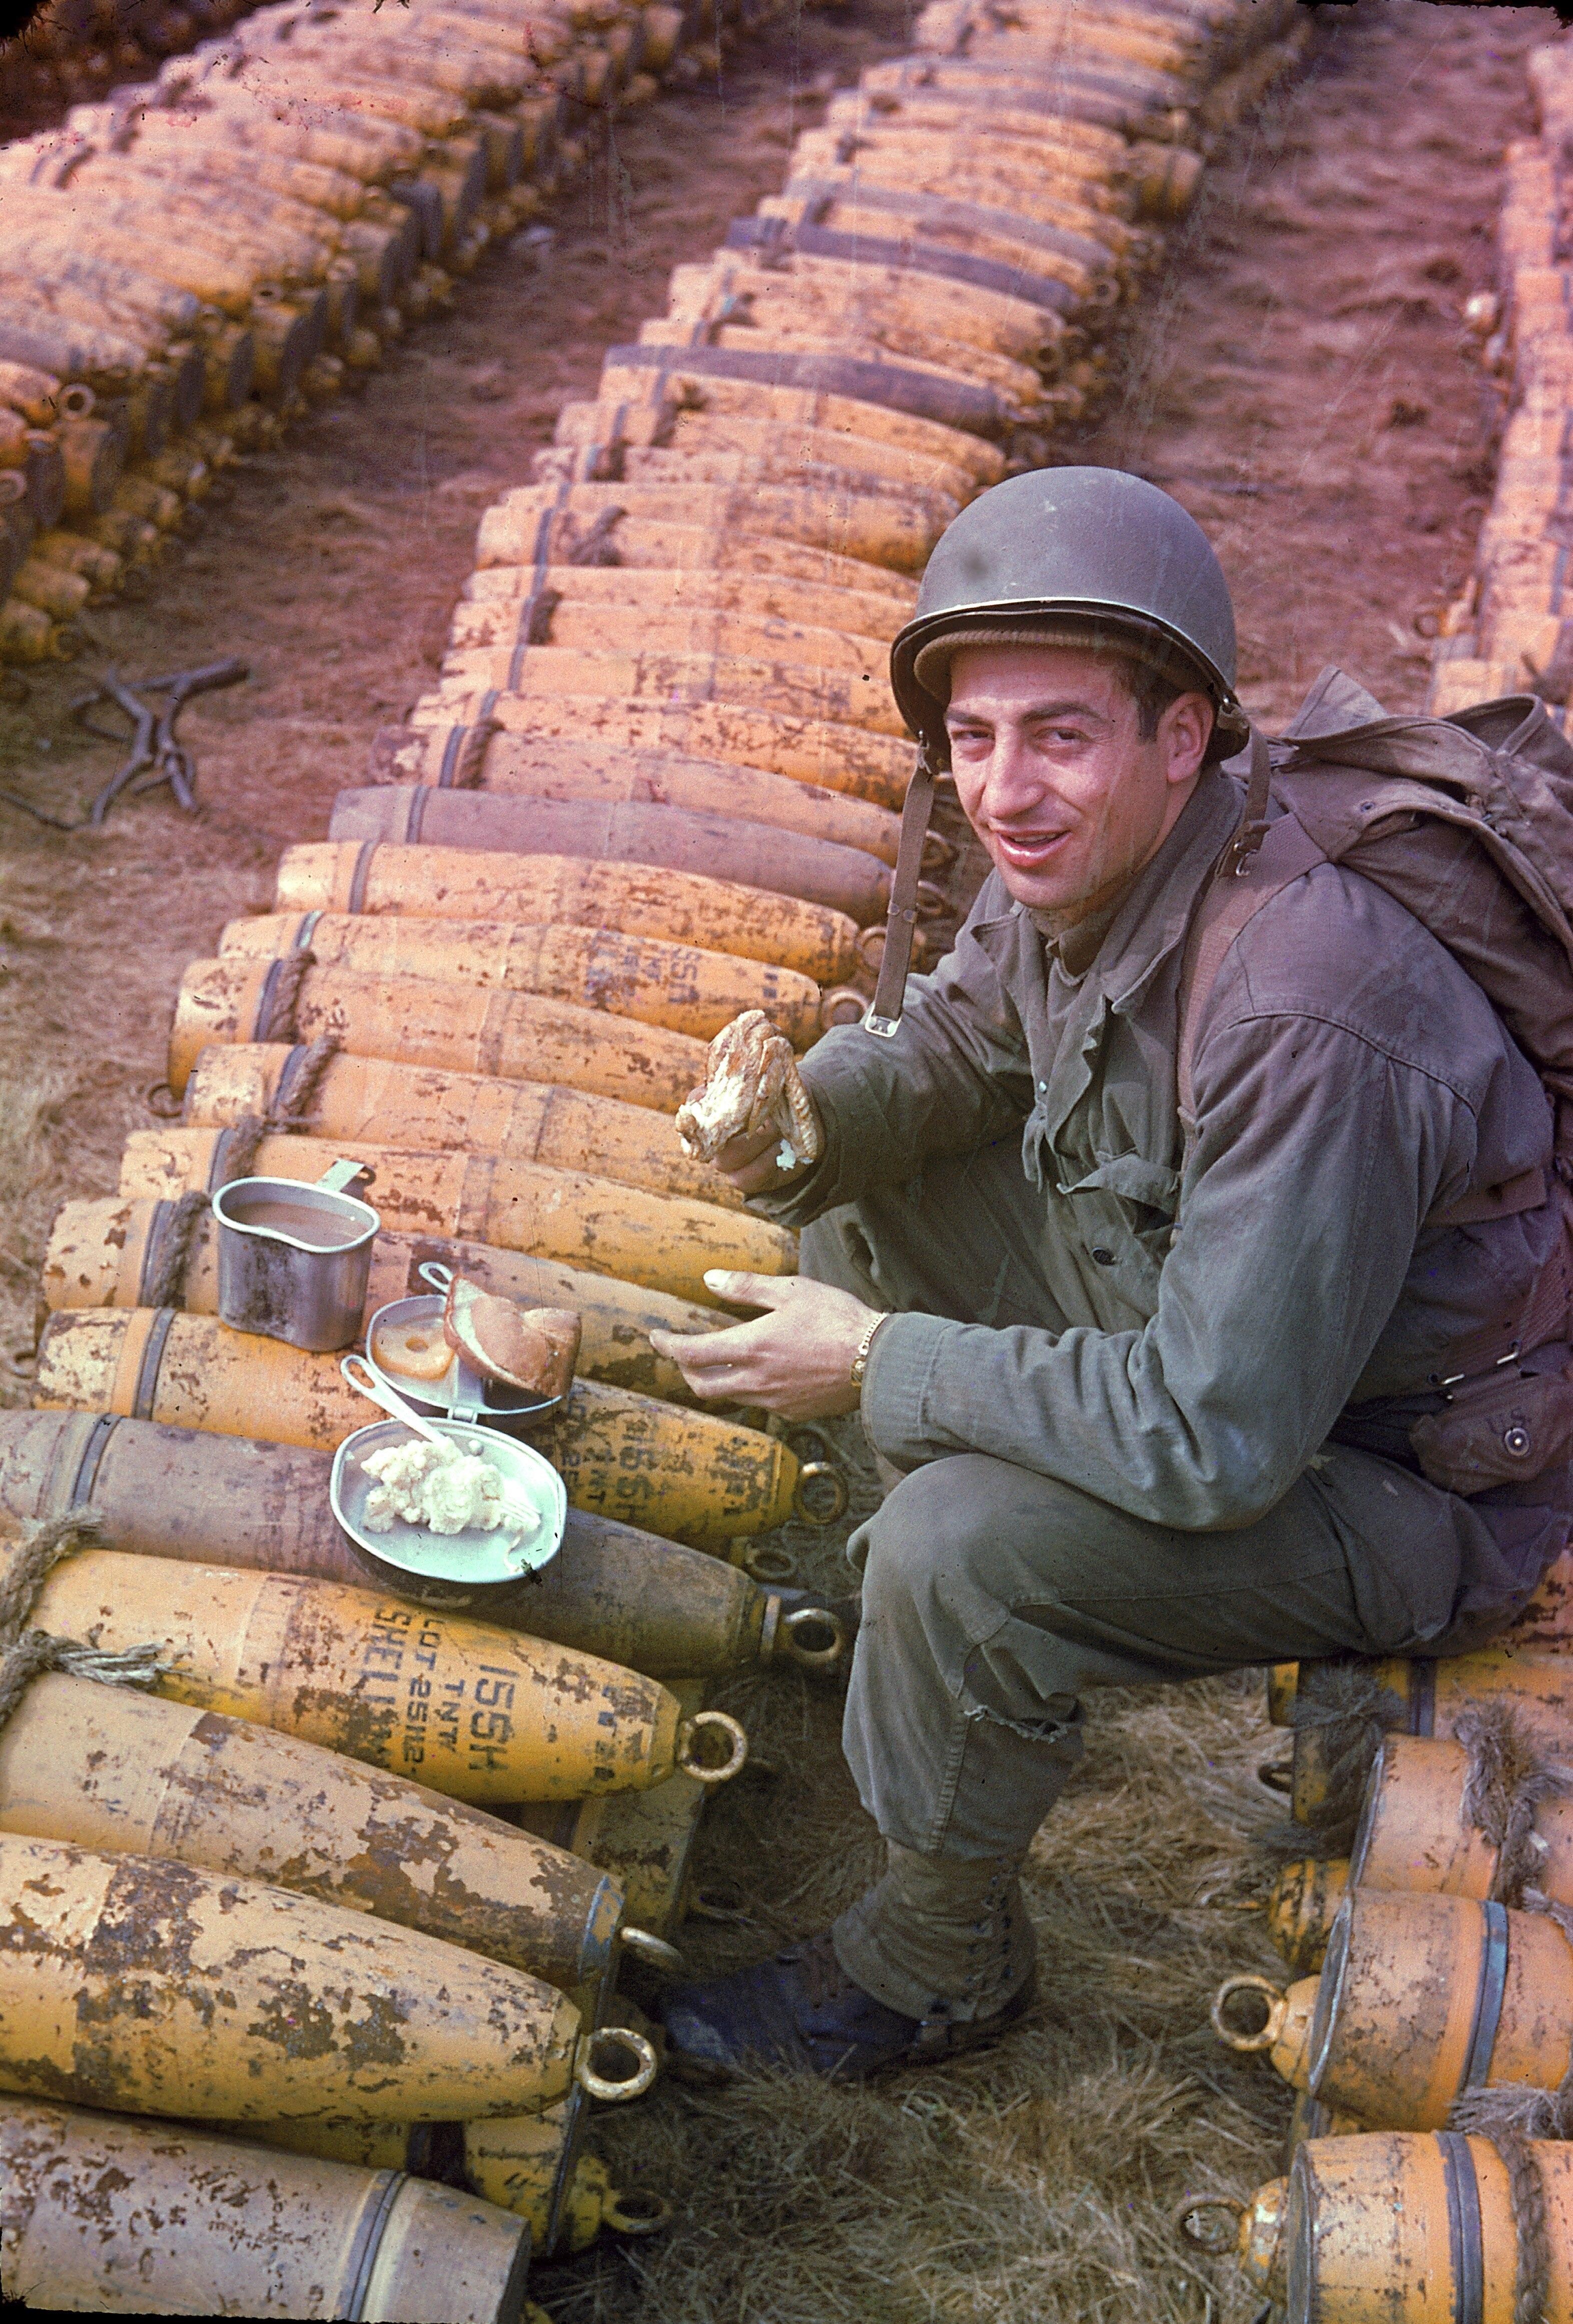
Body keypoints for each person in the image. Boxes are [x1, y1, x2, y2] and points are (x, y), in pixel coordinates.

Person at [647, 466, 1573, 2081]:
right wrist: (801, 1123)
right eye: (976, 739)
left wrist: (883, 1366)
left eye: (1061, 734)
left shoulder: (1307, 1003)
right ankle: (968, 1671)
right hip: (1234, 1342)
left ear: (1184, 737)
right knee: (866, 1208)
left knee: (957, 1546)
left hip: (1392, 1480)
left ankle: (935, 1966)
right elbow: (952, 1039)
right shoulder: (1112, 867)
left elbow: (1214, 1435)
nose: (1009, 789)